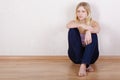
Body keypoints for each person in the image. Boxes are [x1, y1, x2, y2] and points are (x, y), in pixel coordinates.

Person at [66, 2, 100, 77]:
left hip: (91, 57)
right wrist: (81, 25)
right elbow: (68, 25)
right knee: (72, 30)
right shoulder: (74, 22)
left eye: (83, 11)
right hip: (76, 57)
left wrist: (89, 31)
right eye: (78, 11)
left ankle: (83, 65)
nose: (80, 14)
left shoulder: (93, 22)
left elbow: (97, 29)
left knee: (93, 34)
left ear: (88, 12)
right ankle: (86, 65)